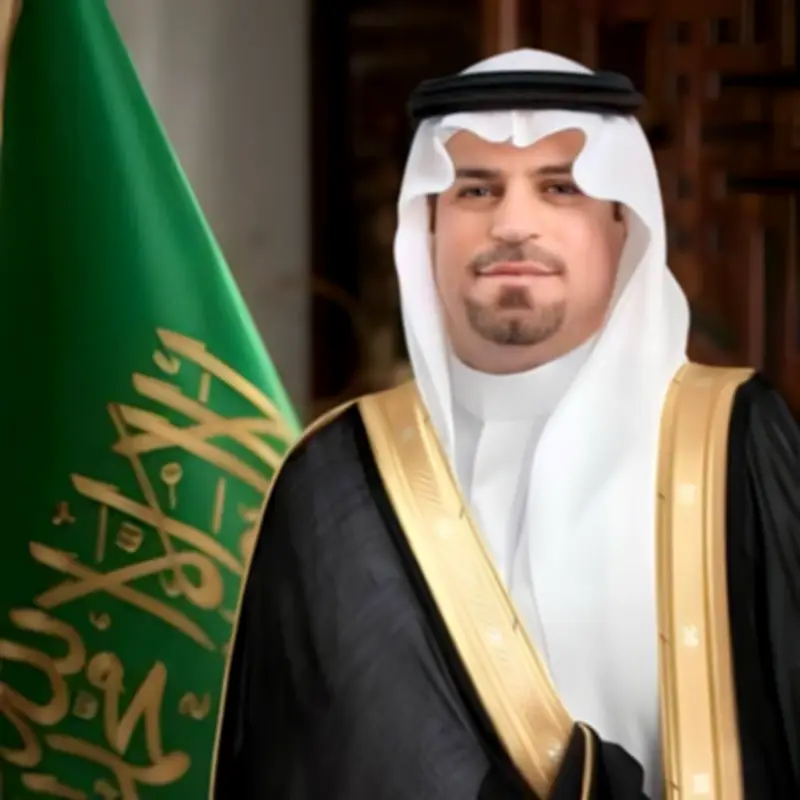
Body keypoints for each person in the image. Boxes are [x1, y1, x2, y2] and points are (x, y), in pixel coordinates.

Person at [211, 49, 800, 800]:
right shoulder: (337, 476)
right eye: (476, 189)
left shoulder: (735, 444)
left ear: (622, 224)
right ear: (428, 225)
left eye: (561, 188)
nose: (514, 224)